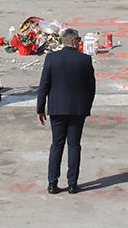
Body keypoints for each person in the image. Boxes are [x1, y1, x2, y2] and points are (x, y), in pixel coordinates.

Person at [36, 27, 97, 194]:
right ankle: (72, 183)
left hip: (57, 108)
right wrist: (87, 106)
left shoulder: (51, 59)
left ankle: (52, 182)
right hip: (78, 109)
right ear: (74, 41)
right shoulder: (84, 60)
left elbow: (44, 86)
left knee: (57, 144)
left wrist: (40, 108)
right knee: (74, 145)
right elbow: (91, 87)